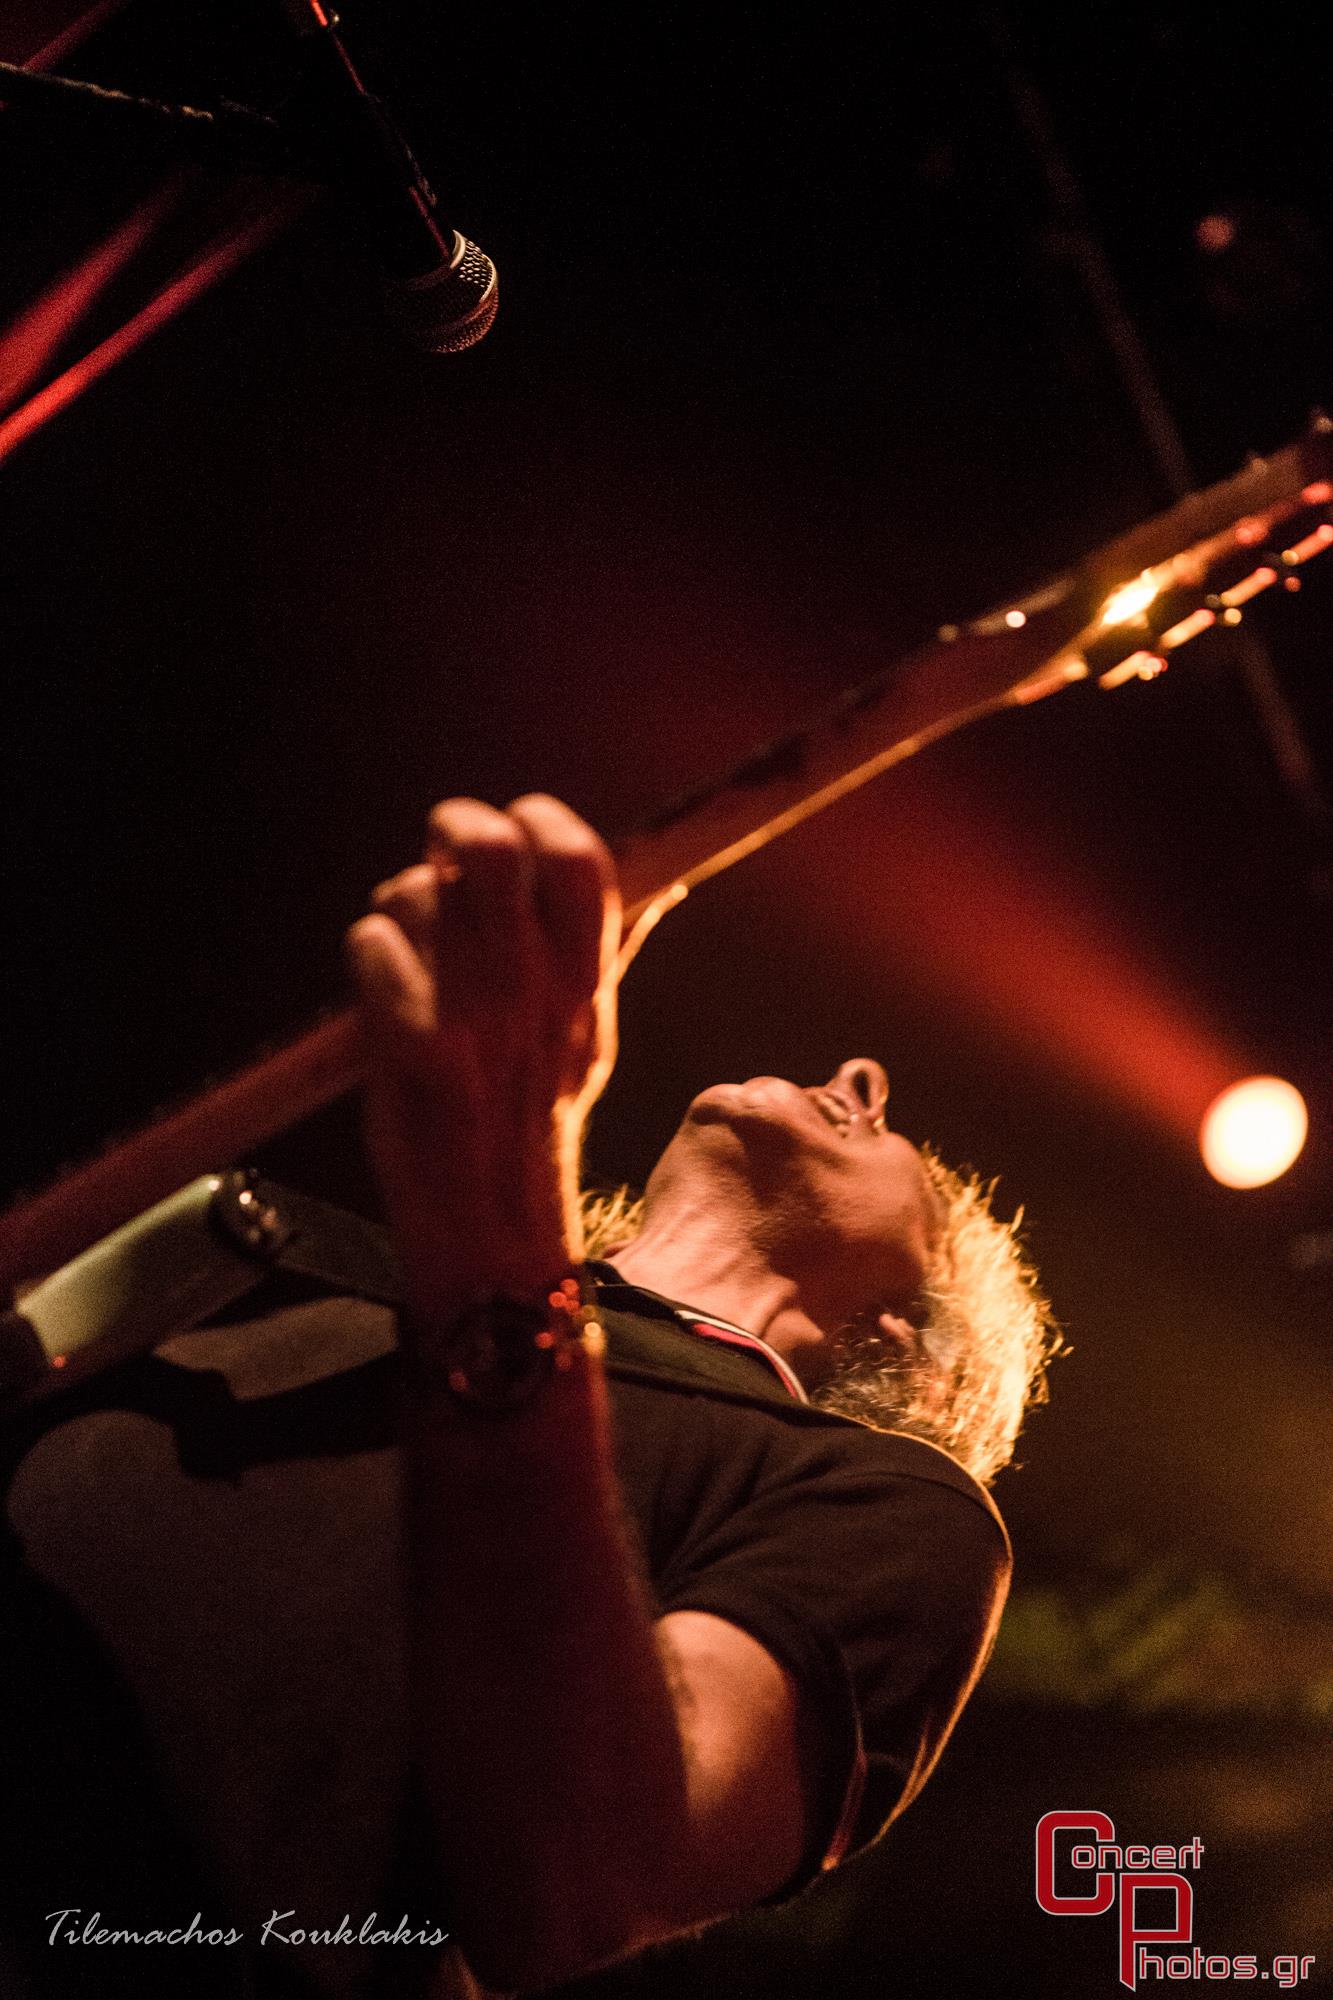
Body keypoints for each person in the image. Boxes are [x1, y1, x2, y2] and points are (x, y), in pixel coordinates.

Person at [1, 793, 1056, 2000]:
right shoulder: (321, 1265)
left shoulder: (888, 1500)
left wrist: (499, 1183)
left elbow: (580, 1877)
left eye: (918, 1172)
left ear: (915, 1344)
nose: (861, 1075)